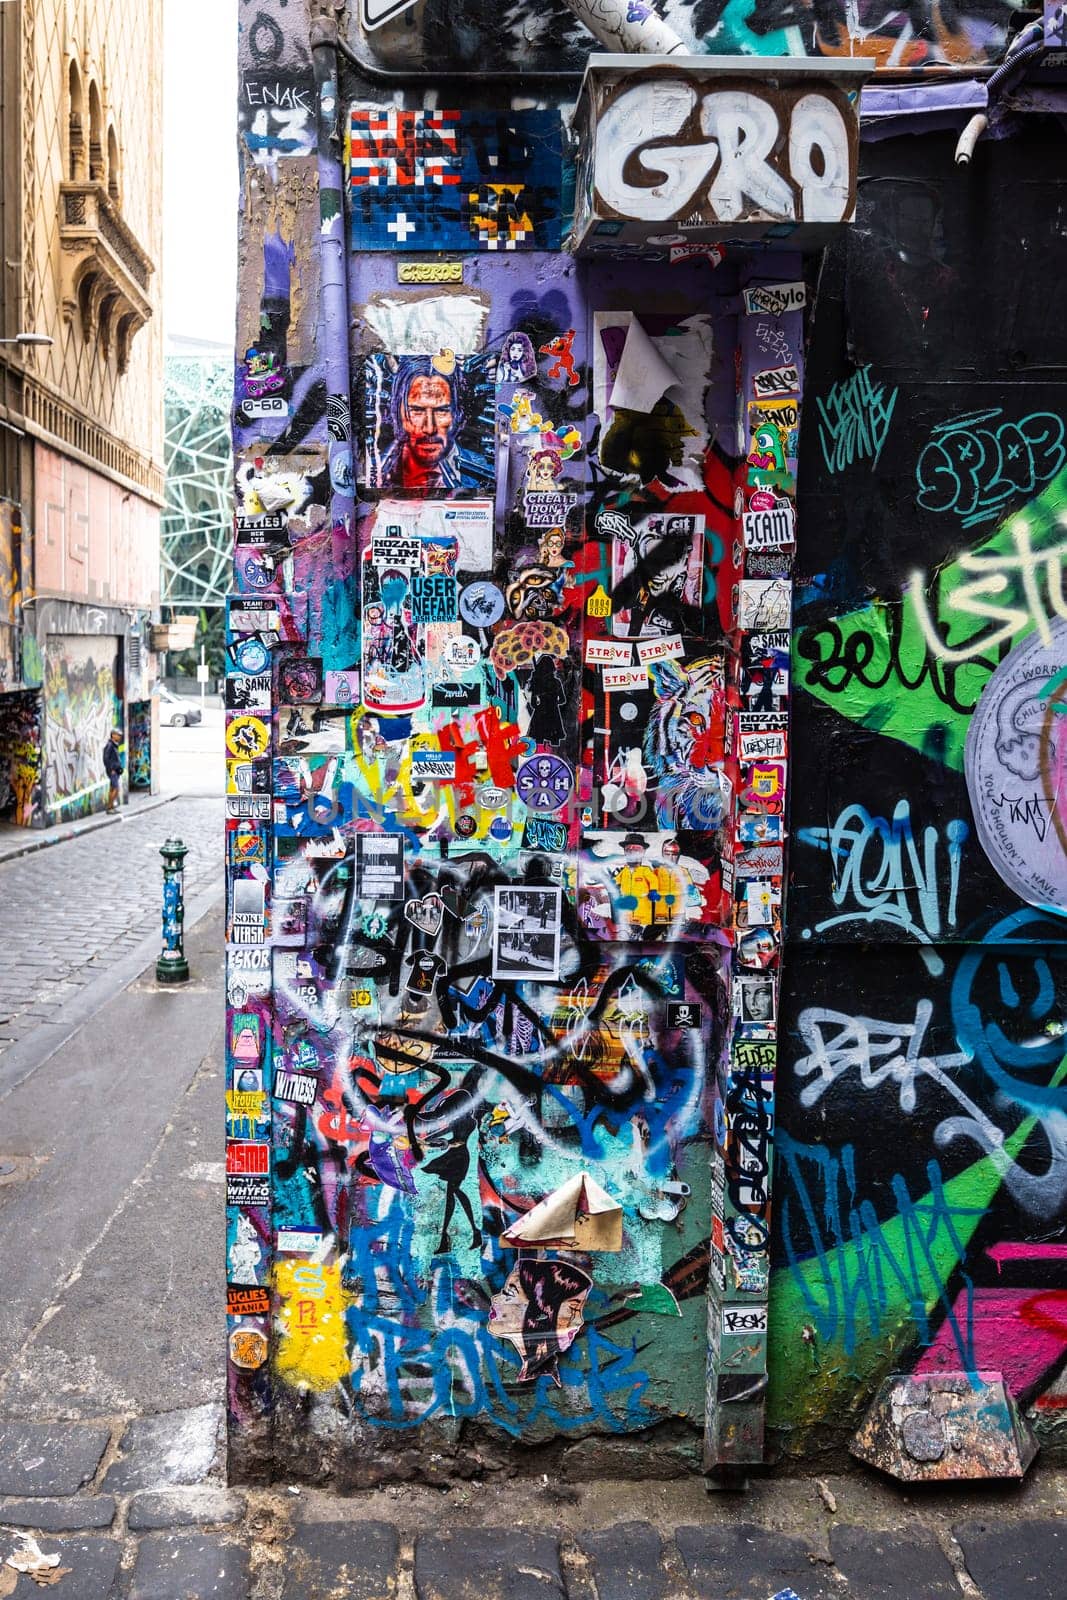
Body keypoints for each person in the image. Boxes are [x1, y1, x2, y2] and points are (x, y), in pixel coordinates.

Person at [381, 357, 468, 492]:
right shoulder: (377, 471)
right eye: (417, 410)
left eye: (441, 410)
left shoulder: (484, 472)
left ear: (457, 413)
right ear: (398, 412)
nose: (429, 428)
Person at [103, 727, 124, 813]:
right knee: (116, 788)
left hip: (115, 770)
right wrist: (111, 769)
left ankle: (111, 807)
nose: (119, 737)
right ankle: (110, 808)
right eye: (118, 735)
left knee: (112, 788)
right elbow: (106, 758)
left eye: (120, 735)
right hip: (113, 771)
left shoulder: (115, 745)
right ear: (113, 735)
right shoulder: (110, 745)